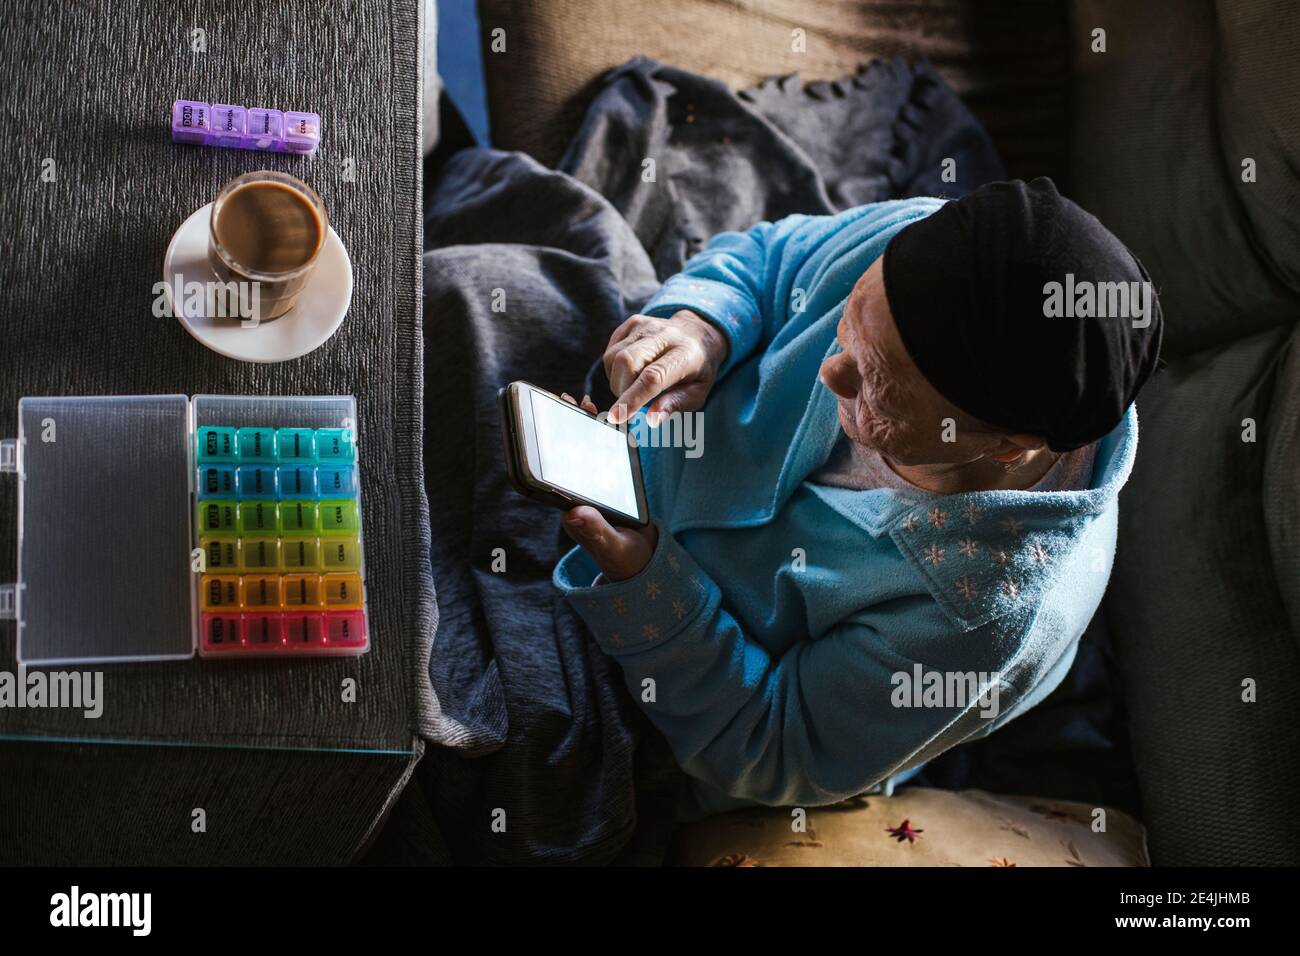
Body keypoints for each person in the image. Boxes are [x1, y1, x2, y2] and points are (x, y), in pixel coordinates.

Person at [552, 178, 1163, 818]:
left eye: (877, 386)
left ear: (1008, 448)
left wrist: (650, 588)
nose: (829, 371)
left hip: (658, 684)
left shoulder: (978, 618)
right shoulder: (921, 239)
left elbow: (773, 750)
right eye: (847, 324)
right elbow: (769, 258)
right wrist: (702, 326)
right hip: (622, 440)